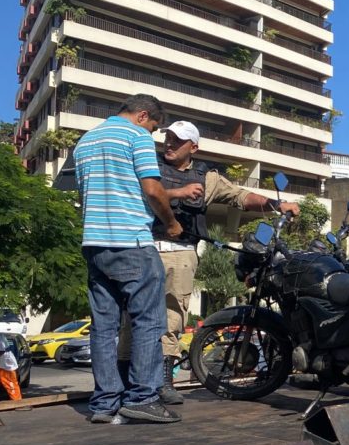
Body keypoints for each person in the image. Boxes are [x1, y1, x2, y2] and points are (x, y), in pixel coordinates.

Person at [118, 121, 301, 405]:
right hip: (142, 247)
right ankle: (121, 382)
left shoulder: (208, 179)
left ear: (193, 147)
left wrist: (278, 205)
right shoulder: (148, 164)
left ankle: (164, 382)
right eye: (167, 137)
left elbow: (241, 197)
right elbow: (133, 194)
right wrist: (178, 193)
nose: (169, 143)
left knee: (173, 316)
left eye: (177, 140)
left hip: (180, 252)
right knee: (131, 316)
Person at [76, 94, 183, 424]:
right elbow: (151, 189)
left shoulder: (86, 140)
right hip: (132, 242)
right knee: (148, 321)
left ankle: (104, 403)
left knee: (103, 327)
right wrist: (171, 223)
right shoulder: (136, 136)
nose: (152, 134)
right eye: (154, 127)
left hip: (94, 243)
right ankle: (142, 398)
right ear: (143, 116)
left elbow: (85, 194)